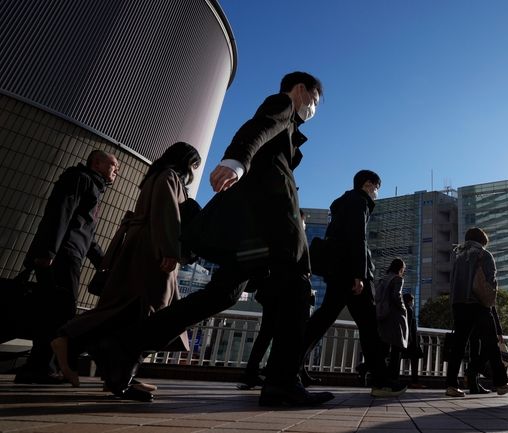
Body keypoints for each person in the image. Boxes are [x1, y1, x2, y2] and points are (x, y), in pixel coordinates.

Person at [96, 72, 332, 406]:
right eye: (315, 101)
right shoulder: (282, 104)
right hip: (273, 226)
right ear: (300, 90)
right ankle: (282, 383)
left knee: (220, 295)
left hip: (251, 232)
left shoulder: (292, 130)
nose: (313, 109)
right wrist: (236, 161)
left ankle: (124, 344)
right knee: (296, 288)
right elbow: (259, 126)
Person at [50, 143, 199, 393]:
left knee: (129, 308)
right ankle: (74, 340)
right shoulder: (170, 177)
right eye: (194, 165)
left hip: (140, 247)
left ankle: (114, 371)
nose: (194, 170)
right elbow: (167, 213)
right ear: (185, 162)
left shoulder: (154, 176)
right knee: (146, 311)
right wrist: (170, 250)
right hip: (153, 251)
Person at [14, 150, 119, 384]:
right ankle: (42, 367)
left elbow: (86, 233)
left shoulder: (93, 186)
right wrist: (48, 251)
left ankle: (38, 367)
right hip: (61, 255)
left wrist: (102, 262)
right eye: (113, 165)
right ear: (97, 163)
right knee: (60, 312)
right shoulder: (79, 178)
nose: (116, 170)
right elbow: (60, 212)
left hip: (67, 254)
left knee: (52, 311)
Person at [300, 170, 406, 398]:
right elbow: (358, 238)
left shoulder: (343, 204)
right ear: (368, 184)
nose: (377, 194)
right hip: (353, 274)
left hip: (339, 271)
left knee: (323, 318)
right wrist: (358, 273)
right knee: (369, 325)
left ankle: (287, 367)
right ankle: (381, 380)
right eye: (377, 188)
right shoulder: (359, 201)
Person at [237, 210, 310, 391]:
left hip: (270, 292)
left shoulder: (278, 235)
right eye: (303, 222)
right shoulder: (292, 237)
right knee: (277, 333)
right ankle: (265, 372)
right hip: (281, 292)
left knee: (267, 332)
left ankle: (253, 372)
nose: (304, 226)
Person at [445, 227, 508, 398]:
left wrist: (454, 304)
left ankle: (451, 385)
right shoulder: (484, 255)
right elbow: (491, 281)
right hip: (479, 305)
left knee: (459, 345)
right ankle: (500, 382)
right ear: (482, 240)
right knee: (490, 343)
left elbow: (452, 284)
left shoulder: (458, 256)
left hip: (459, 304)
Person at [374, 258, 408, 382]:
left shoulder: (382, 279)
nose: (403, 271)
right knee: (396, 348)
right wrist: (404, 308)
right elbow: (397, 295)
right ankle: (393, 378)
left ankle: (380, 376)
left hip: (382, 315)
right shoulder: (398, 279)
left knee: (383, 347)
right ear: (400, 268)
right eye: (403, 268)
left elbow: (377, 297)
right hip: (394, 316)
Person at [402, 293, 425, 389]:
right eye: (413, 300)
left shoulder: (404, 310)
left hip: (407, 340)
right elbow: (410, 326)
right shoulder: (409, 310)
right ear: (409, 301)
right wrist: (411, 341)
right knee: (414, 362)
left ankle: (414, 381)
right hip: (411, 342)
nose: (413, 302)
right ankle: (415, 382)